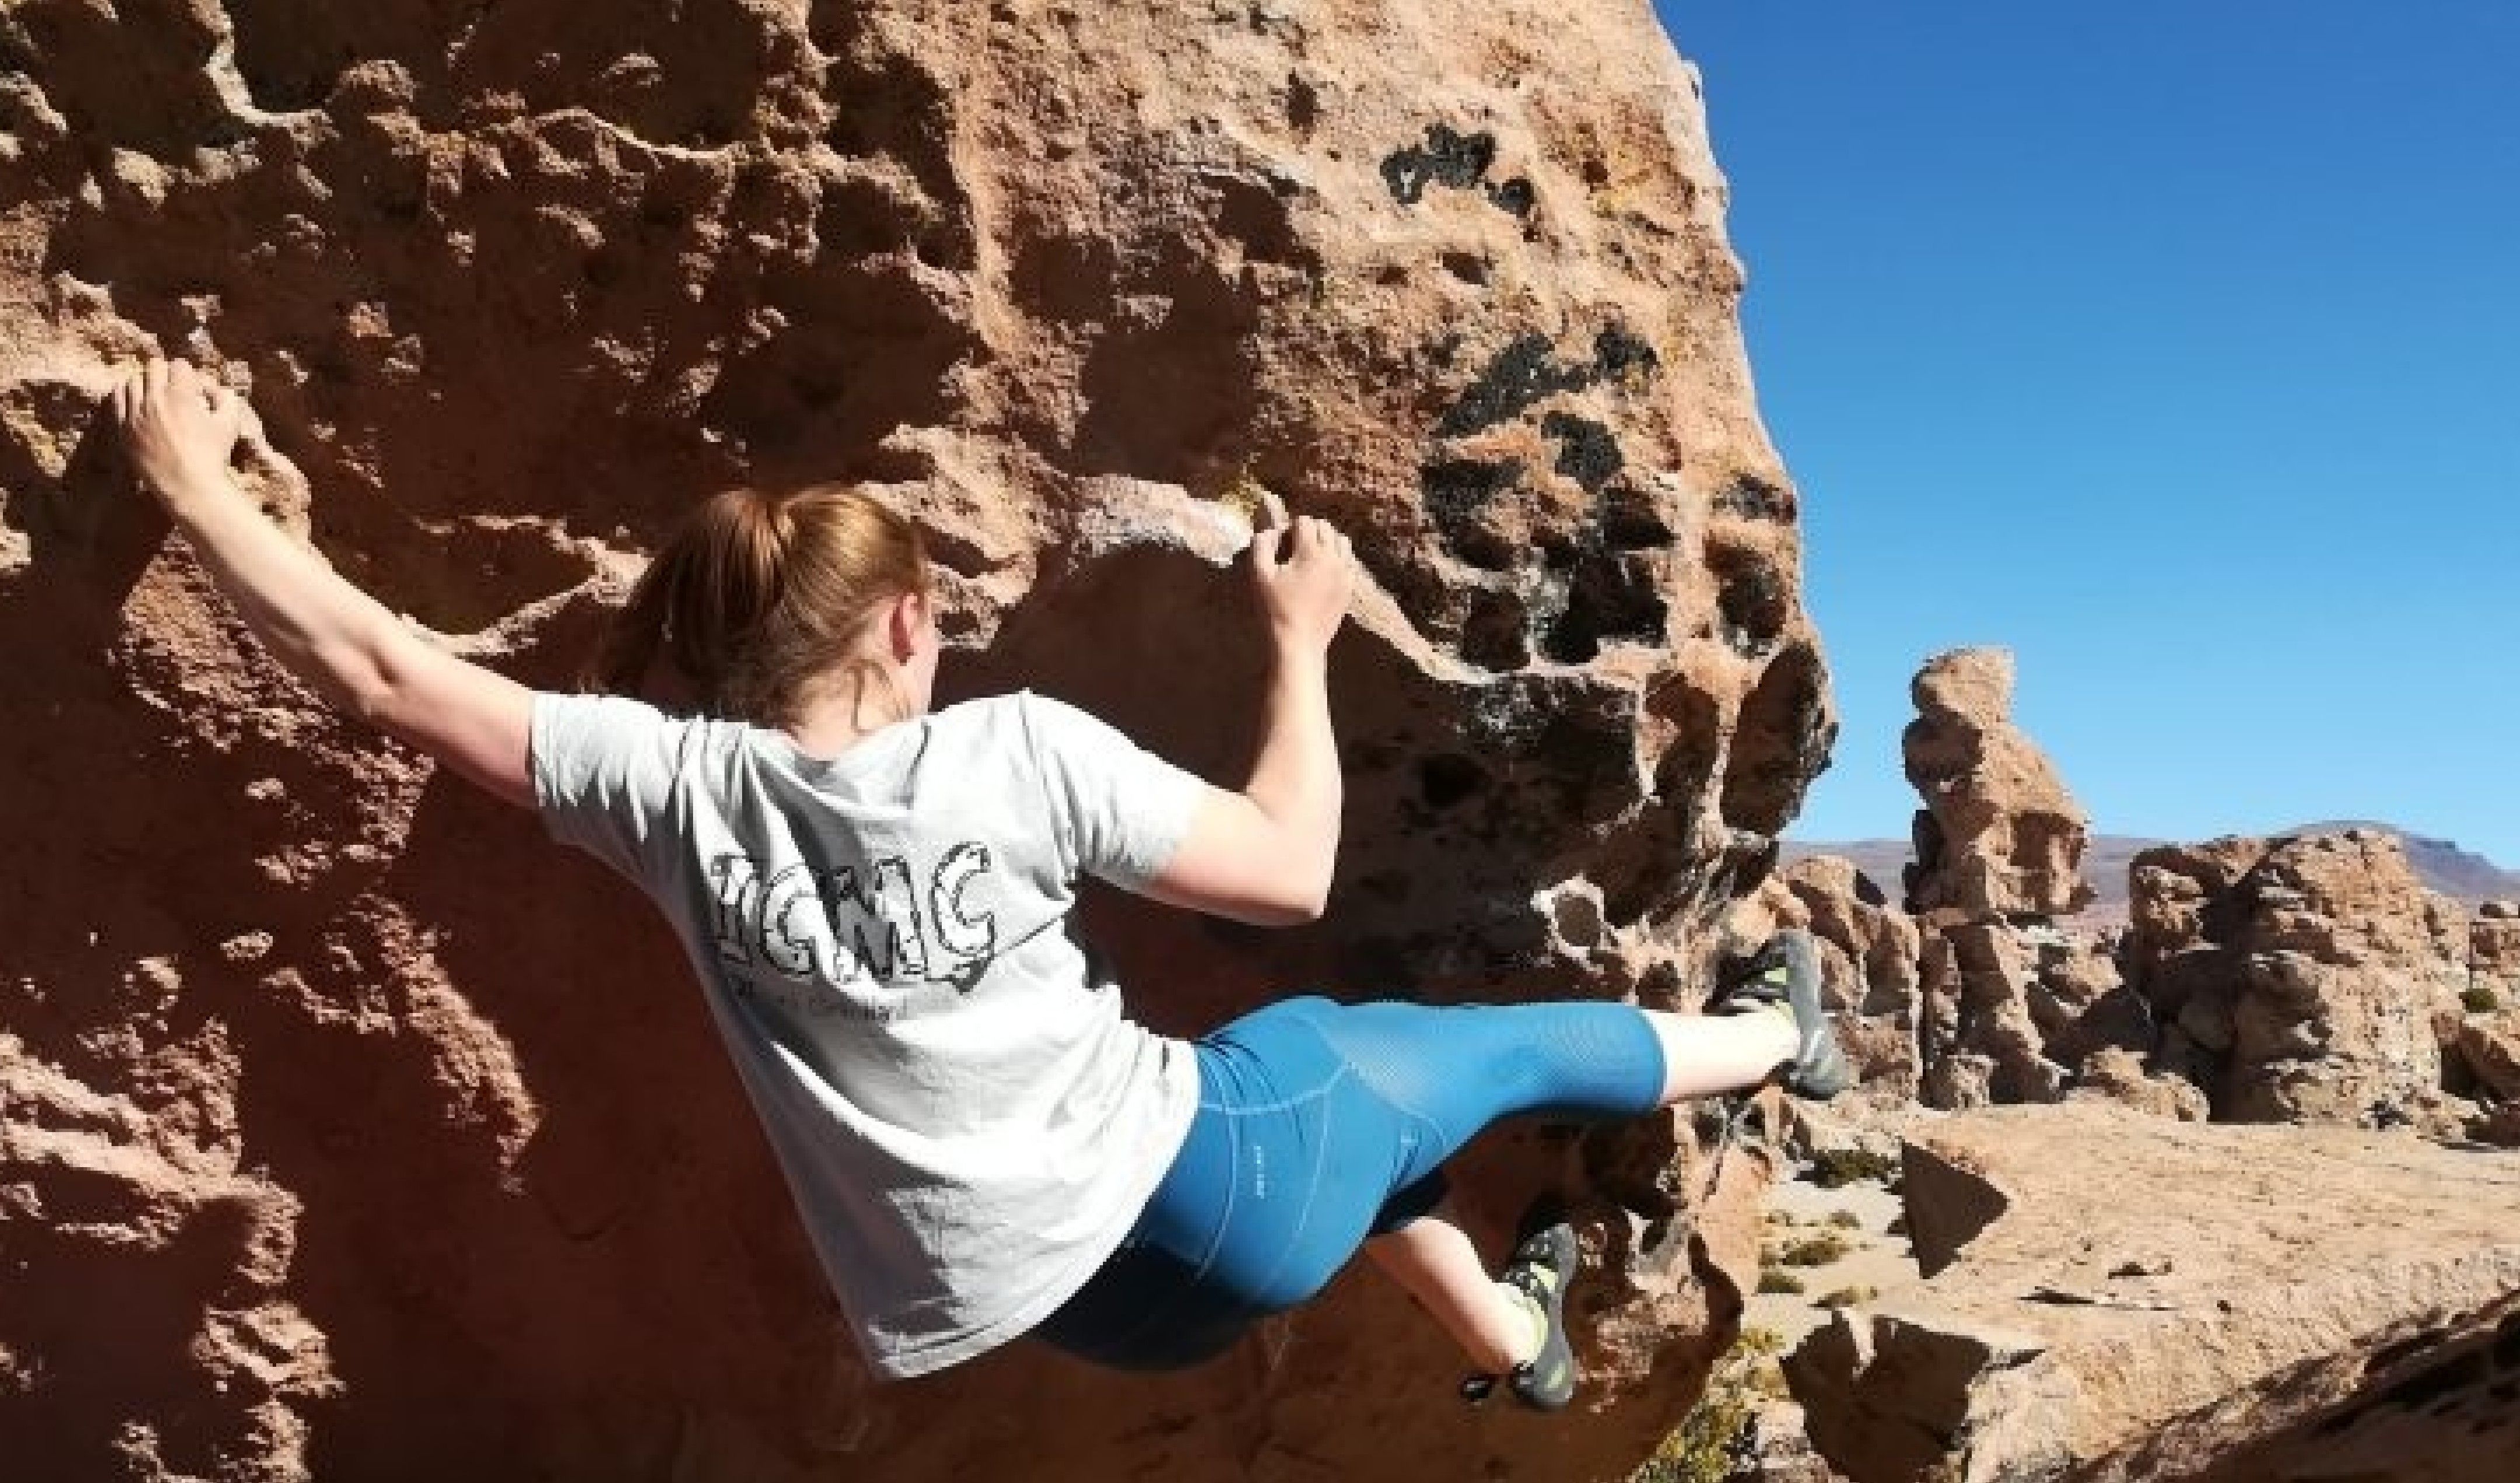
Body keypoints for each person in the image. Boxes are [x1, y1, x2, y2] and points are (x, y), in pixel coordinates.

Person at [111, 358, 1849, 1411]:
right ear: (903, 623)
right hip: (1214, 1193)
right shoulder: (1011, 749)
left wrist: (192, 484)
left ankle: (1505, 1336)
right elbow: (1289, 867)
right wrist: (1296, 639)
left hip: (1062, 1313)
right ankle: (1780, 1040)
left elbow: (386, 673)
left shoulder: (664, 789)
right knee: (1433, 1049)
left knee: (1326, 1095)